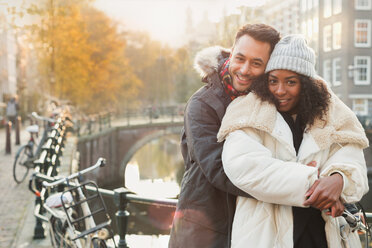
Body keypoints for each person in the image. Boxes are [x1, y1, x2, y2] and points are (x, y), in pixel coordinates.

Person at [217, 34, 369, 247]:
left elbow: (352, 158)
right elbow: (244, 166)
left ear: (306, 84)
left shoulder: (331, 113)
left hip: (324, 236)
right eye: (273, 81)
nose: (280, 90)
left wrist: (339, 178)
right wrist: (314, 184)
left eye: (291, 82)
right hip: (267, 235)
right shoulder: (247, 111)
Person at [168, 24, 280, 248]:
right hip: (205, 228)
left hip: (250, 224)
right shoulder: (202, 104)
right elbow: (220, 170)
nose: (244, 70)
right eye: (240, 58)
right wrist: (298, 188)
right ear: (231, 51)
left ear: (269, 65)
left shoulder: (271, 100)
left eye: (256, 63)